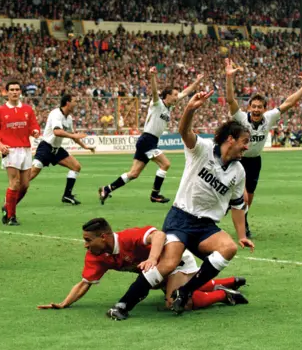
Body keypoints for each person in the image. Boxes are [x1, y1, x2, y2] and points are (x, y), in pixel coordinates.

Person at [106, 91, 255, 318]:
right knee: (167, 264)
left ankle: (185, 291)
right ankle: (123, 305)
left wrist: (242, 234)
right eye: (245, 142)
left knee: (229, 247)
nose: (246, 148)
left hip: (206, 227)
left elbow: (237, 205)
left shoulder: (238, 171)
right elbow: (184, 131)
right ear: (230, 139)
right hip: (180, 219)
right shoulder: (202, 149)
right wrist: (190, 109)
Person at [37, 218, 247, 319]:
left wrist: (154, 258)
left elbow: (160, 235)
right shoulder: (97, 256)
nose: (85, 245)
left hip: (176, 262)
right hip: (156, 274)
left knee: (175, 302)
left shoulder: (129, 237)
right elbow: (85, 283)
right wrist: (64, 303)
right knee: (168, 289)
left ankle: (223, 295)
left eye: (87, 240)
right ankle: (227, 283)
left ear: (104, 237)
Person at [225, 59, 302, 236]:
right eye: (254, 107)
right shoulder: (241, 118)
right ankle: (240, 225)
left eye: (260, 107)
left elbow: (289, 103)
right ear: (249, 108)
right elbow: (230, 99)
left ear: (265, 109)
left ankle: (243, 219)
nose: (257, 110)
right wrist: (229, 78)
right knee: (242, 196)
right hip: (238, 160)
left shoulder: (269, 118)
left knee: (249, 198)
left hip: (255, 161)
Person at [99, 67, 204, 205]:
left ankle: (106, 189)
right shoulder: (158, 104)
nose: (177, 97)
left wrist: (197, 82)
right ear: (167, 96)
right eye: (174, 94)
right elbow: (155, 92)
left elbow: (185, 93)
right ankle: (155, 195)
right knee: (165, 164)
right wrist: (153, 76)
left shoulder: (169, 108)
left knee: (134, 173)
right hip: (147, 140)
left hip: (149, 141)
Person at [30, 94, 95, 205]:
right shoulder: (56, 114)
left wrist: (85, 147)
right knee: (32, 174)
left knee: (76, 166)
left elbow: (72, 134)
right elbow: (57, 132)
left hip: (56, 150)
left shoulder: (68, 118)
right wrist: (74, 136)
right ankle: (12, 194)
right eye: (75, 101)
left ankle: (67, 195)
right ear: (68, 103)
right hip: (46, 147)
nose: (76, 104)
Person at [0, 80, 40, 225]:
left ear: (20, 92)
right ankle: (11, 217)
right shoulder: (1, 111)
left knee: (25, 185)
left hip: (26, 149)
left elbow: (34, 126)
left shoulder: (28, 109)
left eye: (17, 89)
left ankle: (7, 206)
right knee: (14, 183)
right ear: (7, 92)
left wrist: (35, 132)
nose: (14, 92)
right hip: (10, 150)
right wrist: (0, 145)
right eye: (12, 89)